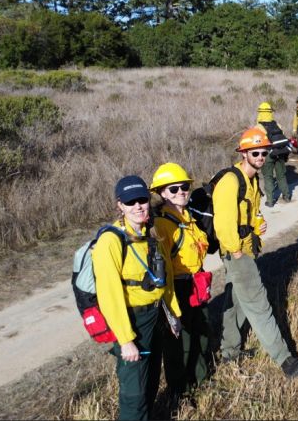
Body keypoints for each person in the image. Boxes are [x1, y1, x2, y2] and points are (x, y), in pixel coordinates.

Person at [214, 127, 298, 378]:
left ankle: (229, 352)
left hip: (247, 248)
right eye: (255, 152)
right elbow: (223, 224)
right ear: (243, 153)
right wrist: (236, 253)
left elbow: (253, 212)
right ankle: (285, 361)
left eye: (264, 152)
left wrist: (258, 224)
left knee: (235, 303)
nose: (260, 156)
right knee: (259, 305)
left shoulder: (252, 179)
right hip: (238, 253)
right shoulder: (230, 181)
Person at [92, 175, 182, 421]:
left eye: (142, 199)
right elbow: (109, 296)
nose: (138, 206)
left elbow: (167, 278)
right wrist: (126, 339)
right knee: (134, 391)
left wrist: (173, 314)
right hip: (132, 321)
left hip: (155, 316)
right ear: (119, 205)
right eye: (130, 202)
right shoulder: (110, 241)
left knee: (151, 379)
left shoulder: (151, 233)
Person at [149, 163, 212, 401]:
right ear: (162, 193)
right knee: (180, 340)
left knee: (201, 332)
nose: (181, 192)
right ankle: (180, 390)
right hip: (178, 286)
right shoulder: (162, 224)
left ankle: (201, 380)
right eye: (173, 189)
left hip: (197, 282)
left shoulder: (187, 215)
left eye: (184, 187)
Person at [256, 101, 292, 206]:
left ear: (260, 113)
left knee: (268, 177)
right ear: (270, 112)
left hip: (267, 155)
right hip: (280, 153)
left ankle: (270, 201)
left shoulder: (258, 128)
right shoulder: (278, 125)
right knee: (281, 176)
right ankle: (286, 196)